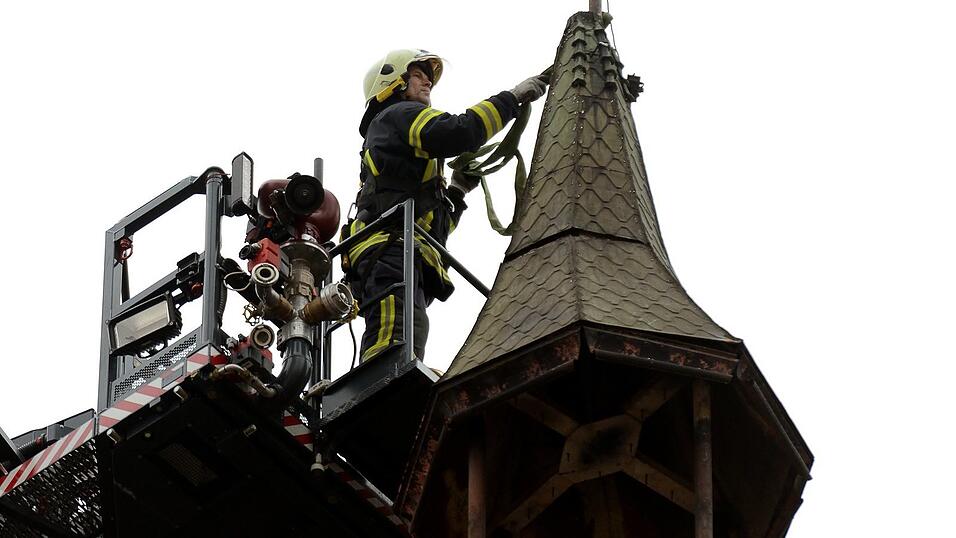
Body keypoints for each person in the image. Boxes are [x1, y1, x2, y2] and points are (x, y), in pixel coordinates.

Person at [343, 48, 548, 364]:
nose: (427, 83)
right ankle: (382, 384)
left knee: (410, 326)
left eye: (429, 78)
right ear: (393, 83)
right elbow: (459, 132)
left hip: (401, 249)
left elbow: (432, 227)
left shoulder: (401, 142)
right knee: (397, 327)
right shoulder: (399, 115)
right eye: (418, 75)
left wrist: (457, 191)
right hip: (390, 249)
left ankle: (390, 381)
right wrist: (512, 98)